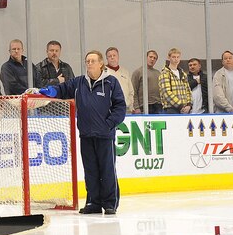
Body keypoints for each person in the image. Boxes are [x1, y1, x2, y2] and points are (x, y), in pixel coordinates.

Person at [38, 51, 125, 214]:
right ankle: (93, 202)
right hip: (86, 134)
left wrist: (109, 124)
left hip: (105, 135)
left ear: (101, 64)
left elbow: (120, 107)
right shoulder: (79, 82)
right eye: (87, 61)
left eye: (93, 61)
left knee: (107, 170)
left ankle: (110, 203)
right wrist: (50, 91)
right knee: (90, 170)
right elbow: (63, 89)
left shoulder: (111, 82)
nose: (89, 64)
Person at [158, 48, 192, 114]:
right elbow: (166, 92)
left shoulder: (183, 74)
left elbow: (188, 90)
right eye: (173, 57)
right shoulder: (165, 74)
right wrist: (180, 105)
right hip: (171, 108)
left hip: (185, 108)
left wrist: (189, 104)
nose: (176, 59)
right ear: (169, 58)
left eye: (178, 57)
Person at [131, 50, 162, 114]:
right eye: (150, 57)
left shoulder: (158, 73)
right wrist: (136, 107)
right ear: (146, 58)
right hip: (144, 106)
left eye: (154, 58)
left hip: (158, 105)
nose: (152, 59)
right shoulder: (138, 72)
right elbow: (133, 90)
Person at [105, 47, 134, 113]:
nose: (112, 57)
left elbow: (131, 91)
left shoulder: (125, 72)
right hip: (110, 110)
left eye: (114, 55)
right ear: (107, 58)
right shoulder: (103, 72)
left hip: (126, 109)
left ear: (118, 57)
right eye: (110, 56)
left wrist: (131, 105)